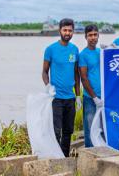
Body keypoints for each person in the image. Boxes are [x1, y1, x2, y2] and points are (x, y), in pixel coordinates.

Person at [42, 18, 80, 157]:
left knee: (68, 131)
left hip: (70, 98)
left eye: (70, 30)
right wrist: (48, 86)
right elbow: (44, 71)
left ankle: (64, 157)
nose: (67, 33)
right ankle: (55, 156)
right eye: (65, 30)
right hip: (56, 98)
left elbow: (76, 74)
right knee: (56, 131)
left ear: (73, 32)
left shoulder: (75, 50)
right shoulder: (50, 49)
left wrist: (78, 95)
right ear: (60, 31)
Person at [79, 25, 103, 147]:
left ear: (98, 36)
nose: (93, 37)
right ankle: (89, 153)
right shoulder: (83, 55)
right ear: (86, 37)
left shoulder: (101, 52)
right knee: (90, 127)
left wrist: (111, 50)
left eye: (95, 35)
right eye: (90, 35)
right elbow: (83, 77)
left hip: (103, 97)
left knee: (103, 127)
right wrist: (94, 97)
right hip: (90, 98)